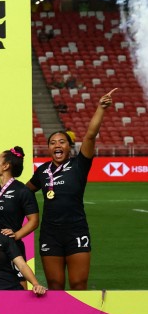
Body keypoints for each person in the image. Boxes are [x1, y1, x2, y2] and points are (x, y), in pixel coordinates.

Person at [27, 89, 116, 291]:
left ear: (69, 147)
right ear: (48, 148)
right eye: (52, 143)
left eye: (62, 142)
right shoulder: (42, 171)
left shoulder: (79, 165)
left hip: (76, 230)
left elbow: (91, 136)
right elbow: (24, 191)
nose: (57, 145)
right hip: (50, 233)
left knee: (78, 284)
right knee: (55, 285)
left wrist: (101, 108)